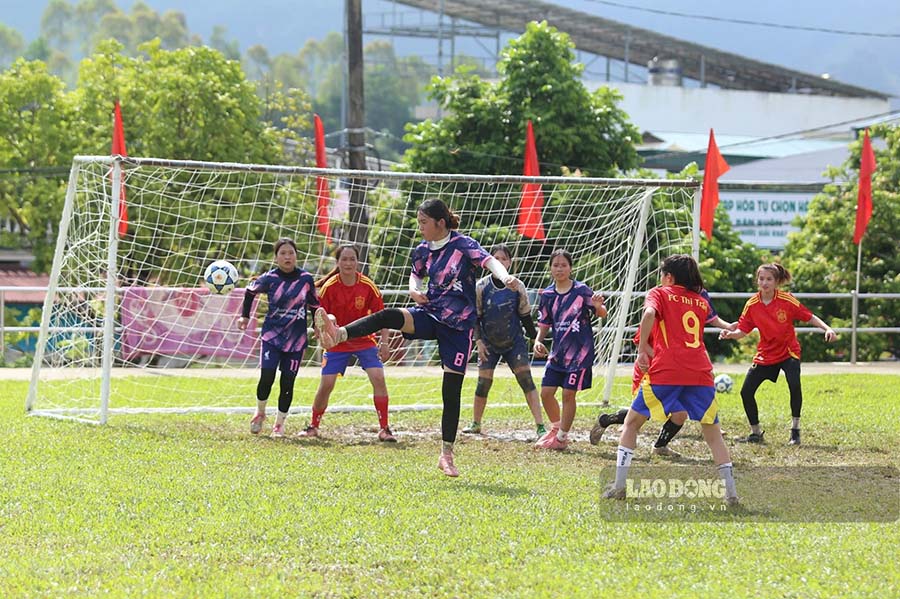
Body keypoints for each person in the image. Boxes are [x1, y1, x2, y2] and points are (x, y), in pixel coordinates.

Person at [314, 198, 520, 477]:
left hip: (458, 329)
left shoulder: (462, 245)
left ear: (441, 223)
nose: (420, 227)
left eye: (424, 222)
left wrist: (505, 276)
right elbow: (415, 277)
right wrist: (414, 290)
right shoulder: (422, 250)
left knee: (451, 392)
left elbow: (490, 261)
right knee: (389, 315)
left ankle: (446, 454)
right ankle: (339, 333)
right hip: (431, 314)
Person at [602, 254, 739, 506]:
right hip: (700, 372)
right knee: (713, 434)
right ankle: (730, 493)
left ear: (669, 277)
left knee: (631, 424)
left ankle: (620, 485)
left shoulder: (660, 293)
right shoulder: (699, 300)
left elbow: (649, 315)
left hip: (668, 369)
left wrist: (642, 347)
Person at [589, 290, 736, 457]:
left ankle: (659, 446)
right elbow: (640, 343)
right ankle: (607, 420)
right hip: (650, 370)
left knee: (680, 414)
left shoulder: (685, 312)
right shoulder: (658, 309)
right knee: (641, 415)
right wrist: (664, 357)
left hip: (671, 372)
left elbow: (708, 322)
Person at [720, 262, 836, 446]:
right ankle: (756, 433)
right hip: (766, 354)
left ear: (776, 282)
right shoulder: (752, 304)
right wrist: (730, 334)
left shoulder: (786, 300)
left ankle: (795, 430)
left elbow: (809, 316)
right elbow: (742, 331)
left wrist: (827, 328)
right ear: (757, 280)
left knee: (794, 384)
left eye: (769, 279)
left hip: (788, 351)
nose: (764, 283)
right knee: (746, 392)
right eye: (761, 279)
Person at [299, 244, 396, 442]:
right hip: (337, 341)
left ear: (358, 262)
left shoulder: (368, 286)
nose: (349, 263)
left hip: (364, 339)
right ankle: (313, 426)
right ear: (338, 262)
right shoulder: (329, 287)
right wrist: (321, 331)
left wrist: (384, 343)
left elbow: (383, 317)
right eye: (344, 259)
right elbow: (319, 316)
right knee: (326, 385)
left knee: (378, 377)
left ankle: (385, 428)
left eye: (352, 259)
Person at [238, 237, 318, 438]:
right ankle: (260, 412)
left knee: (288, 382)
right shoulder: (270, 278)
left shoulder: (306, 279)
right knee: (267, 376)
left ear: (296, 256)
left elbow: (315, 305)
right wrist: (244, 316)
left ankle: (279, 425)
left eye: (291, 252)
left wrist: (318, 326)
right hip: (272, 337)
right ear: (276, 258)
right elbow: (249, 292)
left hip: (296, 340)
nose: (287, 256)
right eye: (282, 253)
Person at [462, 244, 545, 438]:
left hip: (514, 342)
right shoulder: (481, 286)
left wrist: (535, 339)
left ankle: (540, 426)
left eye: (504, 259)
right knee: (483, 383)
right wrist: (479, 342)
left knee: (526, 380)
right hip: (489, 342)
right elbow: (475, 317)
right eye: (495, 259)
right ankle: (476, 423)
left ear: (509, 263)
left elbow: (525, 316)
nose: (499, 262)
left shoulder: (518, 286)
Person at [532, 249, 607, 450]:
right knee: (546, 393)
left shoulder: (582, 291)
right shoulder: (547, 294)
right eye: (555, 265)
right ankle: (557, 428)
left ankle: (562, 438)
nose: (559, 269)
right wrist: (538, 340)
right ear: (550, 268)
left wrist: (599, 306)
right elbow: (545, 323)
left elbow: (602, 314)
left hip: (579, 355)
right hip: (558, 354)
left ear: (570, 268)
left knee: (568, 394)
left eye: (563, 265)